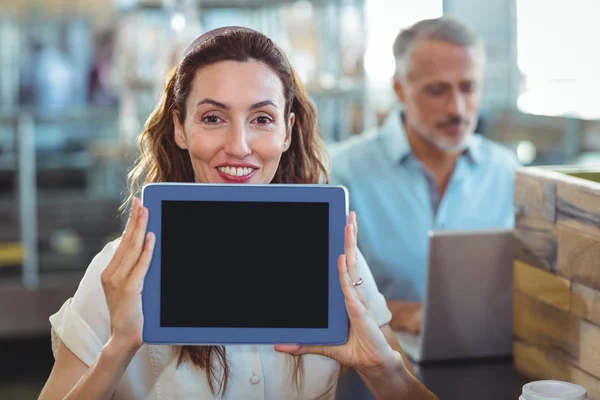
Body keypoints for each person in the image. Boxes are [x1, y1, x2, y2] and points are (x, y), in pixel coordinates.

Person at [38, 27, 438, 400]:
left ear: (286, 130)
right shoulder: (120, 273)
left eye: (262, 119)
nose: (239, 145)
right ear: (180, 128)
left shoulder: (336, 260)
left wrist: (381, 368)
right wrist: (119, 347)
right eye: (213, 118)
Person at [329, 17, 520, 334]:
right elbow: (316, 297)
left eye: (468, 88)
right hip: (379, 374)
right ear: (399, 90)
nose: (457, 108)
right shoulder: (343, 174)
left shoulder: (508, 172)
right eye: (437, 91)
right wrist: (401, 314)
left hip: (490, 367)